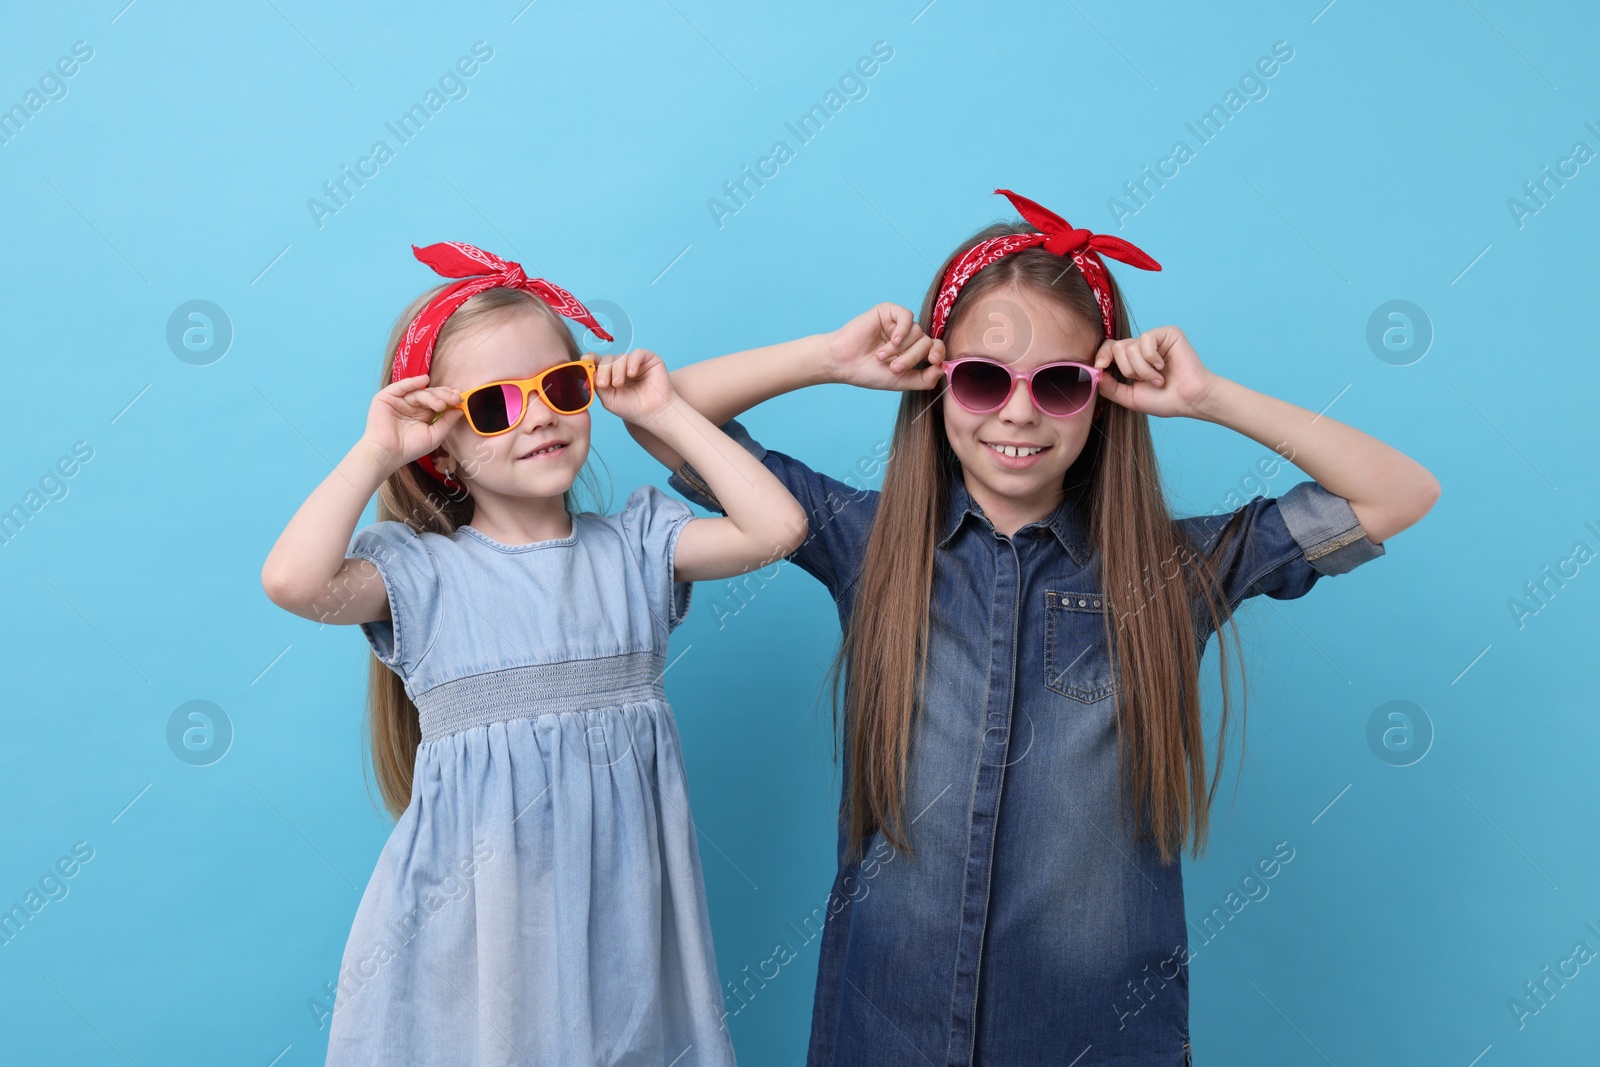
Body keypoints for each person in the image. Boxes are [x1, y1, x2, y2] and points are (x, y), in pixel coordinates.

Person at [626, 190, 1440, 1065]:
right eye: (983, 378)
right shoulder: (865, 540)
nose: (1018, 413)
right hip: (885, 1034)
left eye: (1059, 384)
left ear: (1103, 395)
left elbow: (1396, 493)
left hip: (1095, 1039)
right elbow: (663, 417)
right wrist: (829, 358)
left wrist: (1210, 398)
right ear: (940, 384)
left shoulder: (1172, 571)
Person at [260, 241, 828, 1065]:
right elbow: (292, 580)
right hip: (478, 932)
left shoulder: (636, 546)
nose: (538, 416)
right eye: (494, 405)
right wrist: (376, 451)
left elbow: (777, 529)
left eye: (561, 388)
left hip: (625, 927)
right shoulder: (424, 574)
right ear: (442, 445)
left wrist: (664, 412)